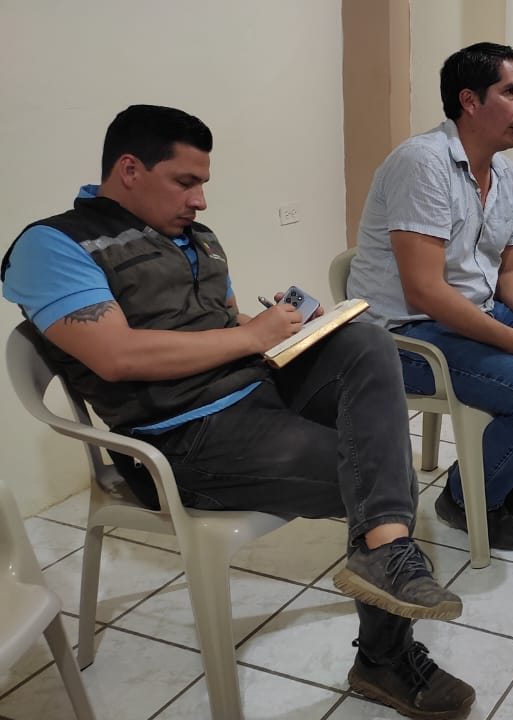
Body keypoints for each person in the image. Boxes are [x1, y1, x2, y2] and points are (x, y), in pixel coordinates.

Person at [1, 105, 474, 719]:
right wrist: (251, 337)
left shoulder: (195, 237)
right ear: (130, 169)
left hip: (254, 390)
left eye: (203, 183)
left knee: (364, 341)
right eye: (184, 182)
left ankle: (382, 554)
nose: (199, 200)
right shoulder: (54, 244)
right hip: (181, 436)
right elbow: (115, 356)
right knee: (383, 471)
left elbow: (224, 325)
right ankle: (384, 653)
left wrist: (285, 326)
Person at [347, 43, 513, 551]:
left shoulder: (505, 174)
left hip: (473, 313)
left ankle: (494, 477)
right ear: (469, 101)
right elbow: (424, 290)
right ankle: (464, 498)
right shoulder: (421, 164)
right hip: (404, 335)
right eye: (511, 93)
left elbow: (509, 270)